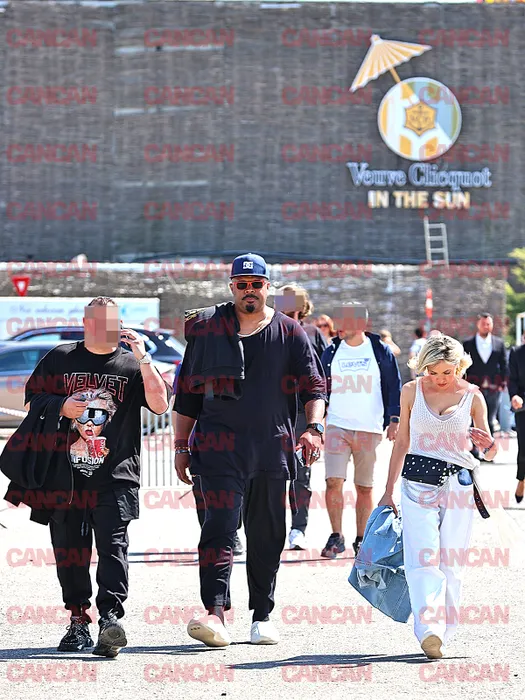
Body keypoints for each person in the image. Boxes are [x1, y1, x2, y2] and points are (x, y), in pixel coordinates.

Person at [173, 253, 326, 648]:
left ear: (267, 287)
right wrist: (180, 445)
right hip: (217, 449)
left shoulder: (290, 331)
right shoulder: (208, 329)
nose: (249, 291)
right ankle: (215, 614)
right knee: (219, 530)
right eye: (241, 285)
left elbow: (314, 387)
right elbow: (187, 395)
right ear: (232, 288)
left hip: (271, 449)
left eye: (256, 284)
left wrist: (313, 429)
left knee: (266, 535)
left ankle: (262, 615)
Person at [19, 297, 171, 657]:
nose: (107, 327)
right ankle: (78, 621)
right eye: (100, 321)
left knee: (113, 546)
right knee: (69, 550)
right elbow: (31, 400)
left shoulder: (131, 363)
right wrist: (61, 405)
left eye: (113, 321)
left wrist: (145, 359)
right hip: (64, 475)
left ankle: (110, 619)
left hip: (117, 474)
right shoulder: (60, 358)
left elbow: (161, 404)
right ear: (87, 323)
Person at [378, 333, 497, 659]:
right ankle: (429, 629)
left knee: (452, 562)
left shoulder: (473, 396)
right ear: (423, 366)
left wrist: (489, 446)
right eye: (433, 371)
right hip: (417, 483)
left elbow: (489, 449)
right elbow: (402, 442)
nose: (441, 378)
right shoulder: (411, 391)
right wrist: (387, 491)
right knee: (422, 558)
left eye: (447, 371)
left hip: (459, 484)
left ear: (459, 366)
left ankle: (444, 630)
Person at [320, 302, 401, 559]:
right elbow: (320, 387)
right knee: (333, 481)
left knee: (364, 487)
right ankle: (336, 536)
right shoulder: (332, 351)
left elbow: (394, 384)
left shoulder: (379, 350)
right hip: (337, 425)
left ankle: (361, 538)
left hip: (369, 427)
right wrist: (317, 422)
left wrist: (394, 419)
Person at [274, 284, 328, 550]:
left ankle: (298, 528)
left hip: (302, 414)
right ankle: (270, 530)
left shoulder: (313, 333)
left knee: (301, 474)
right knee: (269, 474)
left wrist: (319, 421)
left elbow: (324, 377)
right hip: (272, 412)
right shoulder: (268, 329)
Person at [463, 313, 508, 454]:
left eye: (488, 324)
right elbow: (463, 367)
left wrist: (502, 383)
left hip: (494, 388)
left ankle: (489, 450)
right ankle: (474, 450)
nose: (486, 326)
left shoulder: (499, 343)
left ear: (492, 325)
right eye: (483, 324)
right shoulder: (468, 344)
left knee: (490, 419)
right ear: (478, 325)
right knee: (473, 418)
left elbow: (504, 365)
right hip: (473, 388)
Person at [508, 340, 525, 502]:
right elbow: (512, 379)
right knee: (524, 449)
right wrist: (514, 395)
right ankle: (522, 479)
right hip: (523, 406)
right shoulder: (517, 353)